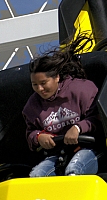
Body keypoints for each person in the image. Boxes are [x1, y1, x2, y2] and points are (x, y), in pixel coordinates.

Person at [23, 36, 102, 176]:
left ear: (57, 77)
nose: (40, 89)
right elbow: (31, 133)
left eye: (44, 83)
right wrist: (38, 137)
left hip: (89, 149)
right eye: (35, 85)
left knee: (74, 171)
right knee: (36, 177)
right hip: (58, 154)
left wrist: (77, 128)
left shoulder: (82, 89)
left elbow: (98, 118)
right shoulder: (32, 106)